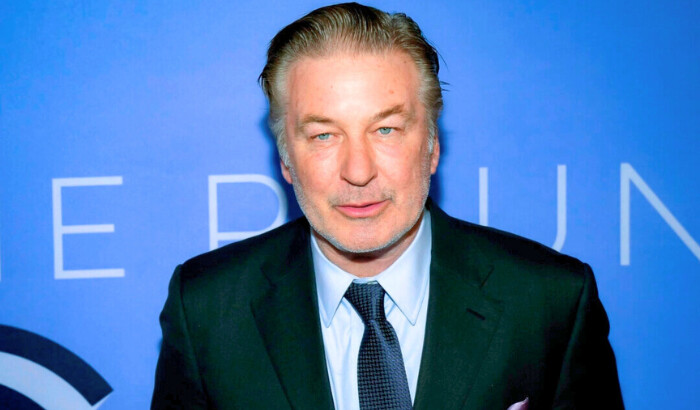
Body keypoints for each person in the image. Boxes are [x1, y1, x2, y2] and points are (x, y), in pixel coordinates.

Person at [152, 3, 624, 409]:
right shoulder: (207, 311)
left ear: (433, 146)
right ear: (286, 160)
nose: (358, 171)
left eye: (386, 130)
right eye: (323, 135)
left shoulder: (550, 301)